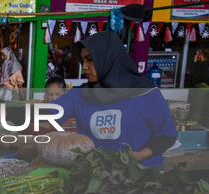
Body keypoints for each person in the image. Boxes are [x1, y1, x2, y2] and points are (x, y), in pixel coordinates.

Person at [50, 31, 177, 167]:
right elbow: (48, 113)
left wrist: (138, 155)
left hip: (141, 176)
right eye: (83, 60)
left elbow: (167, 136)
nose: (84, 66)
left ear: (108, 59)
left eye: (90, 59)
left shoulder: (146, 93)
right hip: (98, 175)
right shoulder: (81, 94)